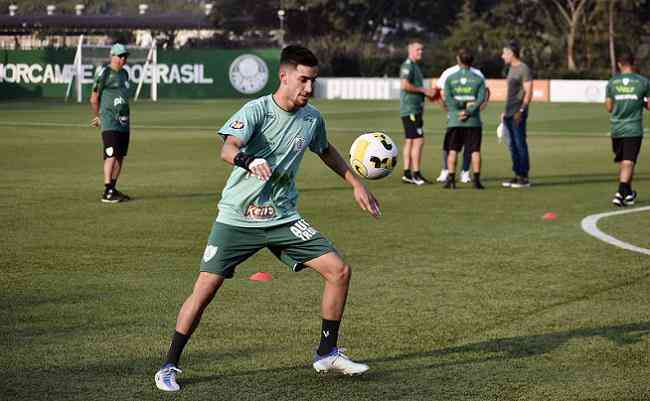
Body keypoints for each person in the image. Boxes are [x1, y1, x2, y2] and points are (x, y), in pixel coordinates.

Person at [154, 45, 380, 392]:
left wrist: (356, 184)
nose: (308, 88)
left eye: (313, 82)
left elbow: (325, 150)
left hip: (283, 218)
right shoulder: (257, 110)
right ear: (284, 76)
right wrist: (247, 160)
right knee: (204, 290)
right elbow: (227, 148)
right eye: (303, 80)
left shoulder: (312, 118)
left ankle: (326, 352)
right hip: (237, 218)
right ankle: (169, 364)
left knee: (339, 270)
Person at [435, 52, 491, 184]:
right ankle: (472, 179)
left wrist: (454, 110)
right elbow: (483, 96)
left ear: (458, 59)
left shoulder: (450, 76)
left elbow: (446, 96)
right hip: (473, 119)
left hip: (455, 118)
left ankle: (456, 175)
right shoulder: (477, 76)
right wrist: (471, 110)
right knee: (474, 149)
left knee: (452, 149)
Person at [605, 52, 649, 206]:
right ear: (633, 63)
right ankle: (621, 192)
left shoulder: (612, 82)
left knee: (625, 162)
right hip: (633, 128)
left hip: (616, 128)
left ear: (619, 64)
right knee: (628, 162)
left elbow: (609, 107)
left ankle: (629, 193)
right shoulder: (643, 82)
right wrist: (640, 102)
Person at [90, 43, 132, 203]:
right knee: (110, 154)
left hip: (124, 122)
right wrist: (98, 116)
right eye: (121, 56)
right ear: (112, 56)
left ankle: (113, 188)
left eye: (125, 56)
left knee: (120, 156)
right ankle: (107, 190)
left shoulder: (125, 74)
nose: (123, 59)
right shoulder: (104, 72)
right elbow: (94, 98)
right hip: (109, 121)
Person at [399, 39, 437, 186]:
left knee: (410, 140)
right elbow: (405, 84)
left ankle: (407, 173)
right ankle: (416, 174)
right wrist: (424, 90)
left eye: (422, 50)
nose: (421, 52)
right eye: (418, 50)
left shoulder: (415, 66)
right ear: (410, 51)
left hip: (413, 109)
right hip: (411, 109)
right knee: (418, 140)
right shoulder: (408, 65)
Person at [501, 41, 533, 188]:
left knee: (520, 144)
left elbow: (528, 91)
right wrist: (505, 111)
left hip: (518, 112)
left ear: (511, 53)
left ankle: (524, 176)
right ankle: (517, 174)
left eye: (504, 53)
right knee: (512, 145)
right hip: (509, 112)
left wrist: (521, 110)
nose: (502, 56)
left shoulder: (523, 68)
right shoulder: (510, 68)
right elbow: (511, 94)